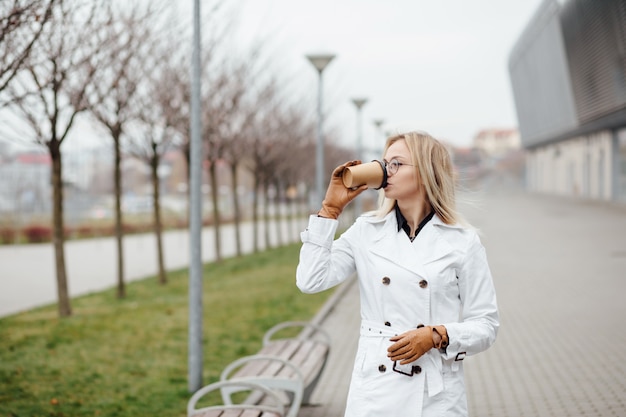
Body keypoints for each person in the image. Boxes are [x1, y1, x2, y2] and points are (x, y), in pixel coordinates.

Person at [296, 131, 499, 416]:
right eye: (384, 162)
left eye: (396, 164)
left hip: (434, 395)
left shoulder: (462, 242)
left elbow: (486, 325)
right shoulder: (366, 231)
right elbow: (310, 281)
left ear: (426, 173)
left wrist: (436, 335)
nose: (384, 171)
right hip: (376, 389)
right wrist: (330, 210)